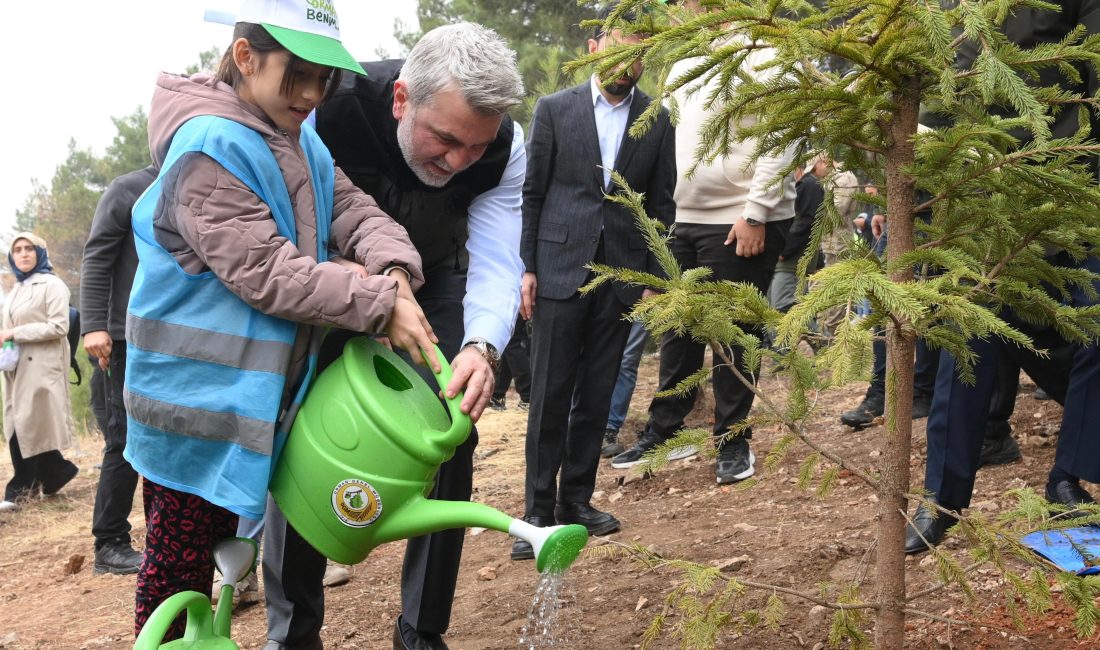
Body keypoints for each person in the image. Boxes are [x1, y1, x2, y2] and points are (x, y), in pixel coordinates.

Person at [124, 0, 436, 640]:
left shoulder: (296, 138)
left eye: (325, 78)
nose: (313, 92)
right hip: (191, 402)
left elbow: (351, 207)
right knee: (176, 573)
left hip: (243, 399)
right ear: (245, 56)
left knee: (215, 564)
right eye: (298, 72)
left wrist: (394, 268)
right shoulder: (211, 146)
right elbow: (266, 272)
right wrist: (378, 301)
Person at [267, 22, 526, 650]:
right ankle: (293, 631)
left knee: (452, 425)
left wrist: (481, 346)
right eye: (445, 140)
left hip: (434, 279)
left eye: (476, 146)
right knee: (306, 429)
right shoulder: (332, 105)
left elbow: (496, 258)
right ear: (402, 99)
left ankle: (421, 627)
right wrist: (360, 287)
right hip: (328, 276)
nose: (461, 160)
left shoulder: (507, 147)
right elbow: (280, 223)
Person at [904, 0, 1100, 554]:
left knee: (1096, 329)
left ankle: (1069, 477)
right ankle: (941, 500)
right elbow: (938, 89)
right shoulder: (953, 8)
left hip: (1073, 188)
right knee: (969, 346)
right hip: (984, 194)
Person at [515, 8, 677, 561]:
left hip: (622, 277)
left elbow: (661, 205)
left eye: (639, 55)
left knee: (598, 393)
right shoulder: (554, 111)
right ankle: (536, 512)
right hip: (559, 269)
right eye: (619, 51)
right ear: (593, 48)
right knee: (550, 395)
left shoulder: (657, 119)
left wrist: (653, 278)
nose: (627, 65)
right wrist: (527, 268)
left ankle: (575, 501)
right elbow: (532, 193)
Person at [610, 7, 794, 485]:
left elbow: (784, 136)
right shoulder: (682, 67)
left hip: (740, 219)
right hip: (683, 219)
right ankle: (666, 434)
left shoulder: (767, 56)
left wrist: (756, 212)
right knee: (678, 334)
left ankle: (734, 443)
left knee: (735, 332)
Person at [80, 165, 156, 575]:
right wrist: (93, 325)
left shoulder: (198, 180)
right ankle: (109, 542)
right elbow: (96, 257)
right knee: (123, 437)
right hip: (123, 338)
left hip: (172, 335)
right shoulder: (129, 188)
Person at [0, 233, 79, 512]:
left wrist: (14, 333)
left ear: (40, 253)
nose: (23, 254)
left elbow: (59, 326)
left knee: (27, 424)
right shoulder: (17, 288)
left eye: (29, 249)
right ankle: (58, 472)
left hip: (42, 366)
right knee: (20, 423)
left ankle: (20, 489)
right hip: (17, 367)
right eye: (17, 250)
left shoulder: (52, 284)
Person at [601, 319, 650, 457]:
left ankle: (609, 430)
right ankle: (577, 427)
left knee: (627, 361)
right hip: (603, 299)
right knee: (594, 356)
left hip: (642, 302)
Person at [490, 314, 531, 411]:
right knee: (508, 341)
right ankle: (497, 395)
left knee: (512, 341)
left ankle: (528, 396)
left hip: (516, 301)